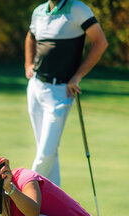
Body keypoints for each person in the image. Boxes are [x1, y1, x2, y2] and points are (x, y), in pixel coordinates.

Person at [25, 0, 108, 186]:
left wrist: (77, 76)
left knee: (46, 153)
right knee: (48, 152)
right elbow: (30, 37)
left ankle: (24, 191)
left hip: (60, 92)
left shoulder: (78, 9)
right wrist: (28, 64)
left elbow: (100, 42)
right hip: (36, 87)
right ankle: (53, 200)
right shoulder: (39, 11)